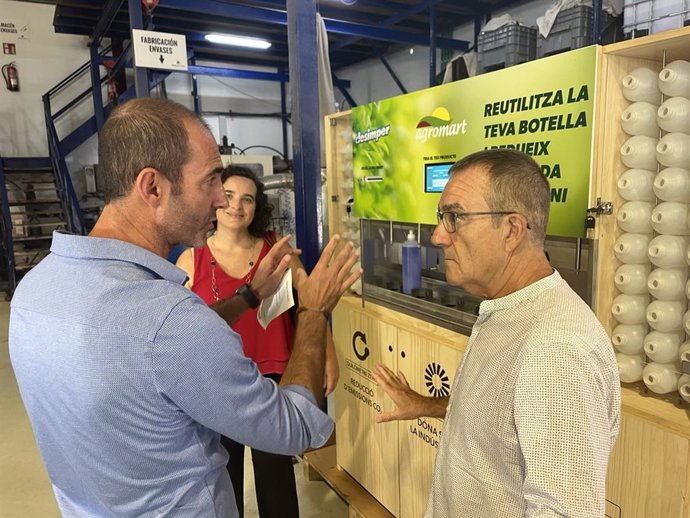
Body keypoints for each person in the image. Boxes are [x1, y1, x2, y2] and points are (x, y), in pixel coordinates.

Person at [9, 97, 360, 518]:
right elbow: (294, 427)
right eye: (211, 180)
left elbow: (151, 352)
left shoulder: (35, 289)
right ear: (153, 187)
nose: (220, 200)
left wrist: (249, 296)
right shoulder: (169, 319)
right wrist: (314, 312)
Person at [372, 149, 620, 517]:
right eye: (442, 217)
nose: (438, 236)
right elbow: (505, 424)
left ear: (511, 230)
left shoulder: (555, 349)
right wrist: (430, 406)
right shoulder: (509, 308)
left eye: (455, 217)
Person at [176, 165, 339, 518]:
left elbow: (312, 297)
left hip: (274, 379)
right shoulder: (191, 258)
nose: (236, 206)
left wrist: (328, 354)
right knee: (224, 475)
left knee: (276, 475)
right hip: (220, 381)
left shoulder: (276, 250)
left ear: (257, 207)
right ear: (215, 200)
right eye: (229, 196)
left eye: (247, 199)